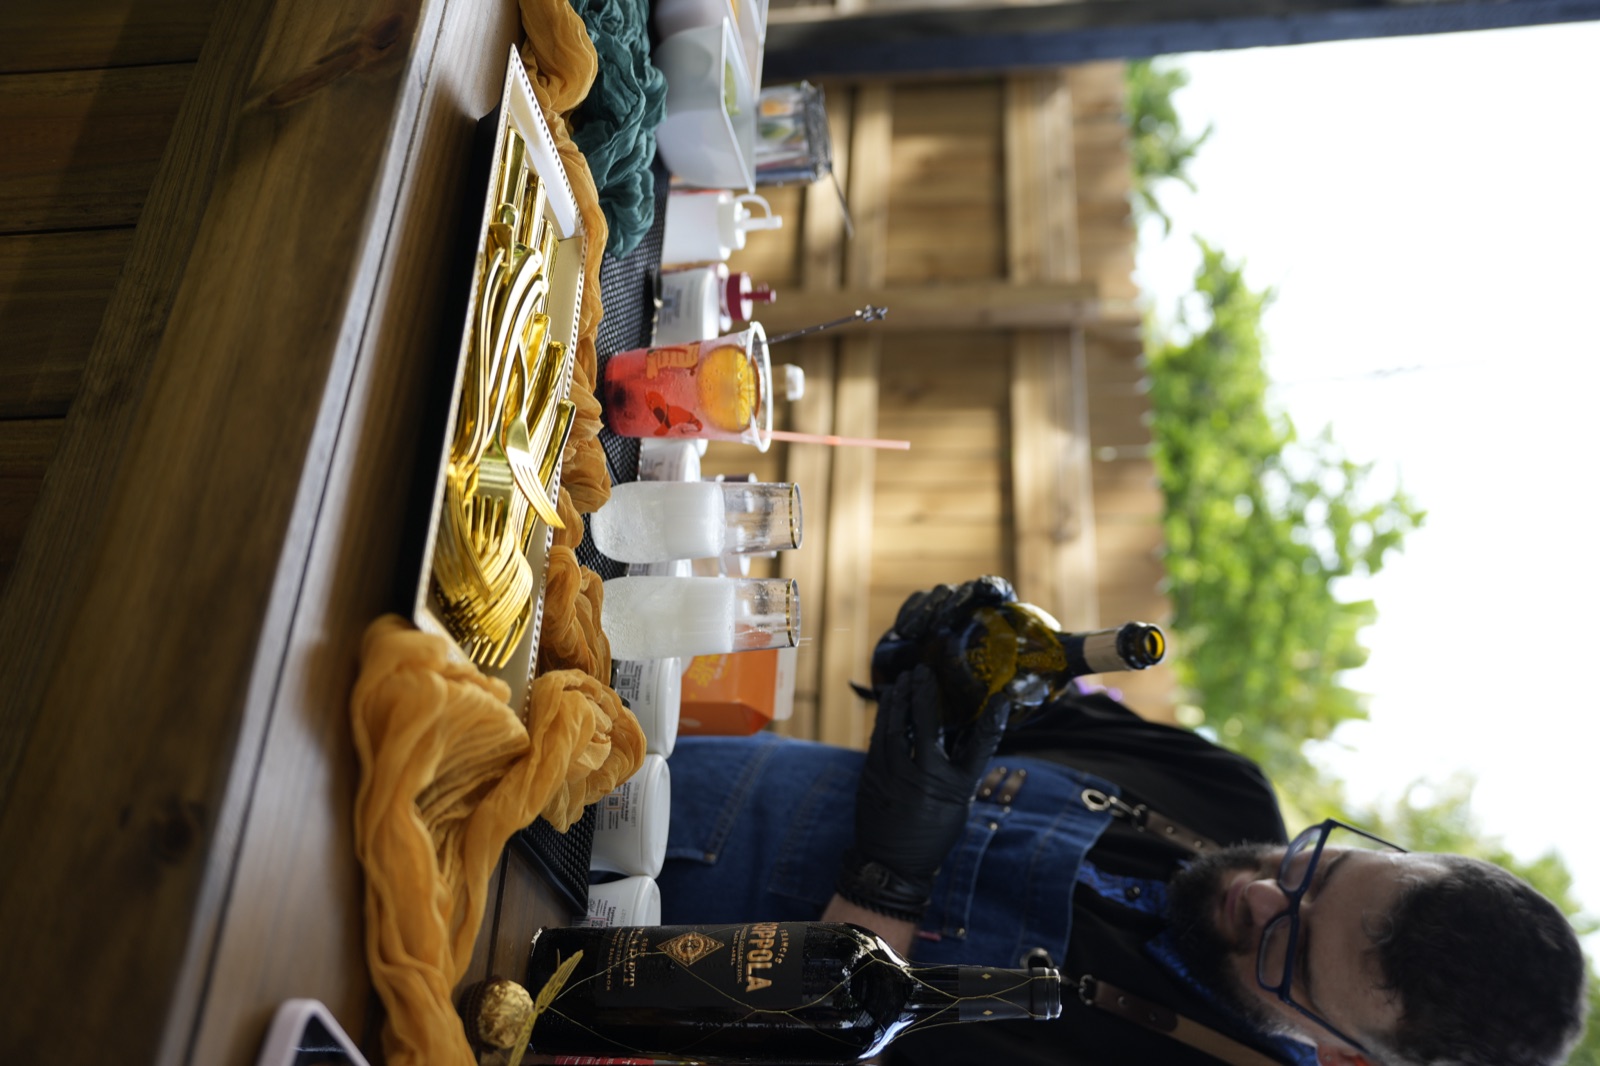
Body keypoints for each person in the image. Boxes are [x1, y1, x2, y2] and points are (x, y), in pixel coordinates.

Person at [655, 578, 1589, 1066]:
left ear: (1345, 1058)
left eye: (1290, 955)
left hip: (590, 984)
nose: (1262, 892)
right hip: (632, 773)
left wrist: (883, 892)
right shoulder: (1225, 793)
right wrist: (942, 650)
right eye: (1320, 871)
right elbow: (978, 708)